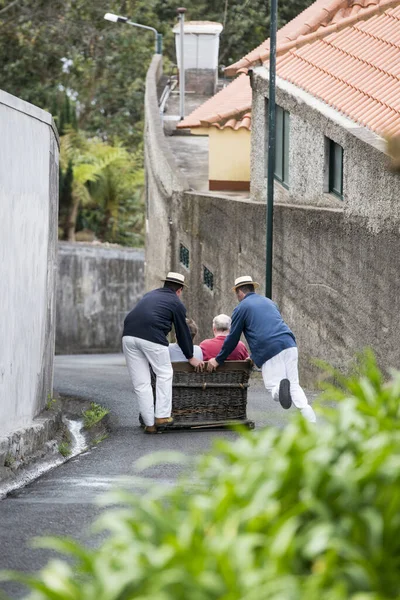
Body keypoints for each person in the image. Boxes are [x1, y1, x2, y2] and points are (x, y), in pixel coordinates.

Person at [207, 276, 316, 423]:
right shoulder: (270, 302)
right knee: (294, 385)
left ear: (239, 292)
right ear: (252, 288)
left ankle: (280, 388)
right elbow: (268, 328)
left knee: (273, 387)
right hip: (289, 343)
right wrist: (252, 356)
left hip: (269, 349)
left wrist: (218, 359)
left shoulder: (241, 308)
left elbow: (233, 338)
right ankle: (310, 419)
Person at [122, 272, 204, 434]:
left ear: (165, 284)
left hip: (128, 336)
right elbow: (182, 332)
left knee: (141, 383)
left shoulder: (149, 295)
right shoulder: (176, 303)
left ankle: (149, 424)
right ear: (179, 290)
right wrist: (190, 356)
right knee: (165, 373)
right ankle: (162, 415)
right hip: (152, 336)